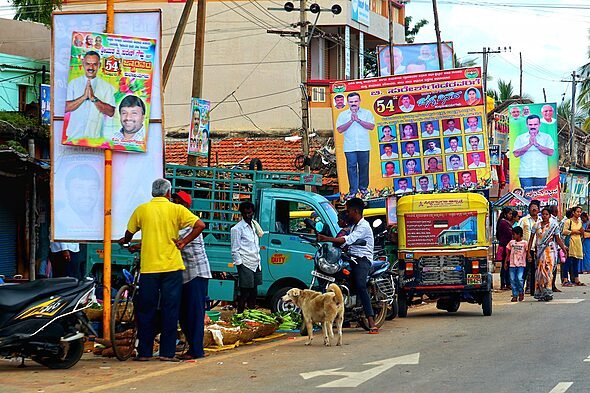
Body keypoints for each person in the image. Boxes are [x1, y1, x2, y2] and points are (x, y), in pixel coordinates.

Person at [119, 178, 205, 362]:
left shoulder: (142, 209)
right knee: (170, 309)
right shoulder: (177, 209)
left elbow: (129, 232)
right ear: (168, 193)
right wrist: (184, 241)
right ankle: (167, 352)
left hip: (149, 268)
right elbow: (200, 225)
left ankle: (144, 352)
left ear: (152, 193)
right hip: (172, 268)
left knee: (146, 309)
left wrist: (125, 241)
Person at [317, 198, 378, 333]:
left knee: (360, 285)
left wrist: (327, 239)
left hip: (362, 260)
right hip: (349, 258)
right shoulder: (352, 226)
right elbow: (342, 235)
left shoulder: (363, 226)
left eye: (348, 211)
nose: (347, 213)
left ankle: (371, 320)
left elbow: (347, 240)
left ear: (355, 211)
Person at [171, 191, 211, 361]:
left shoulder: (188, 223)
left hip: (196, 273)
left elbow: (169, 239)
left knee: (193, 313)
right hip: (187, 274)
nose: (175, 204)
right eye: (174, 201)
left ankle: (196, 349)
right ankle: (192, 345)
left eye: (178, 202)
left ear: (186, 206)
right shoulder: (179, 222)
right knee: (185, 313)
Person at [65, 51, 116, 140]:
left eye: (94, 64)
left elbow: (111, 112)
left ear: (99, 65)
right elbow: (66, 108)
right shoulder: (73, 83)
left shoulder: (107, 87)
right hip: (74, 136)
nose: (91, 68)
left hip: (95, 139)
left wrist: (94, 99)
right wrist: (83, 97)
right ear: (83, 64)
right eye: (88, 64)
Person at [336, 92, 375, 198]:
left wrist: (358, 120)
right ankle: (353, 191)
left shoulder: (366, 113)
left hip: (364, 145)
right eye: (351, 101)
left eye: (355, 101)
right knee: (351, 167)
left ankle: (363, 188)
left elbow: (371, 126)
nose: (353, 103)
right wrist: (350, 121)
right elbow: (339, 129)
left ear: (359, 101)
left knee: (364, 167)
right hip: (350, 146)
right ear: (348, 102)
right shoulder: (343, 115)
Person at [528, 207, 568, 301]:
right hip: (539, 252)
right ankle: (540, 292)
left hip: (550, 252)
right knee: (540, 272)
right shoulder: (536, 225)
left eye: (546, 214)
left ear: (550, 215)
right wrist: (528, 252)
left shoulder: (554, 226)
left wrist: (564, 249)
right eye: (543, 214)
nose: (544, 216)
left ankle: (548, 291)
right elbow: (531, 239)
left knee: (548, 271)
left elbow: (558, 239)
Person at [231, 201, 263, 313]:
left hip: (256, 261)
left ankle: (251, 313)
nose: (247, 216)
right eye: (245, 213)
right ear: (242, 214)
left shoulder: (254, 226)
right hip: (245, 263)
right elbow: (235, 249)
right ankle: (239, 313)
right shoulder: (237, 229)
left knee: (254, 291)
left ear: (253, 213)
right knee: (245, 292)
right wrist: (240, 265)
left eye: (249, 213)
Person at [512, 114, 555, 193]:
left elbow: (551, 152)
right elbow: (516, 154)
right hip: (525, 174)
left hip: (541, 173)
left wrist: (536, 145)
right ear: (526, 125)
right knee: (526, 197)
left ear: (539, 124)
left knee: (539, 198)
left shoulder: (546, 137)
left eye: (535, 124)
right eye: (530, 124)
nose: (533, 126)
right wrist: (529, 145)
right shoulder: (520, 138)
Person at [54, 164, 102, 234]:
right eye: (79, 188)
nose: (87, 195)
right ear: (67, 191)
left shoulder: (105, 219)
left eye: (93, 188)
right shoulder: (59, 220)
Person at [518, 200, 541, 296]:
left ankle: (532, 289)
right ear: (529, 209)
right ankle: (520, 290)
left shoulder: (541, 220)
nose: (534, 209)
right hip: (526, 248)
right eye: (532, 208)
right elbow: (518, 232)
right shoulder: (524, 220)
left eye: (535, 208)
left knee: (536, 269)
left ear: (538, 210)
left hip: (539, 248)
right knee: (525, 269)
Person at [562, 206, 586, 287]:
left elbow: (582, 232)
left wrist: (582, 232)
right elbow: (564, 231)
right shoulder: (568, 221)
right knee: (568, 262)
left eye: (580, 212)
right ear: (573, 212)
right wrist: (573, 231)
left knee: (576, 262)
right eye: (577, 212)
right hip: (570, 242)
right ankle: (565, 280)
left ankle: (576, 279)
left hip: (577, 243)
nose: (579, 213)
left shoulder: (579, 222)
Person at [505, 226, 528, 302]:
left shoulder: (524, 243)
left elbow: (527, 252)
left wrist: (529, 257)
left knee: (519, 279)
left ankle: (521, 291)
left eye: (514, 234)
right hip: (512, 264)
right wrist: (506, 262)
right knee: (512, 280)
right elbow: (507, 253)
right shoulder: (511, 243)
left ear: (519, 234)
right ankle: (515, 294)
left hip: (521, 264)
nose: (513, 236)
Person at [497, 207, 514, 291]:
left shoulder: (505, 222)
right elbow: (509, 233)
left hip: (507, 246)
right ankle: (504, 283)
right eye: (509, 214)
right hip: (505, 247)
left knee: (507, 265)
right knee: (505, 265)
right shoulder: (504, 223)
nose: (511, 215)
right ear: (505, 214)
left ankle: (507, 283)